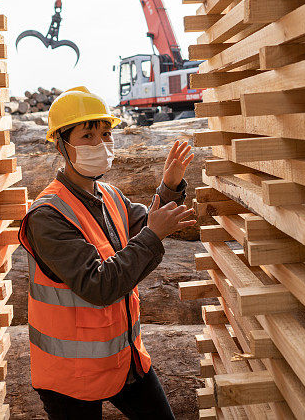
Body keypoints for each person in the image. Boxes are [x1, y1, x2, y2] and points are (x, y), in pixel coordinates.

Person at [18, 86, 196, 419]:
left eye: (105, 133)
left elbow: (149, 225)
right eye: (87, 135)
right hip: (71, 378)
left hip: (125, 360)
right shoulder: (47, 216)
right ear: (62, 145)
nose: (100, 143)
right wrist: (155, 233)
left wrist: (169, 187)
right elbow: (99, 286)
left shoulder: (110, 195)